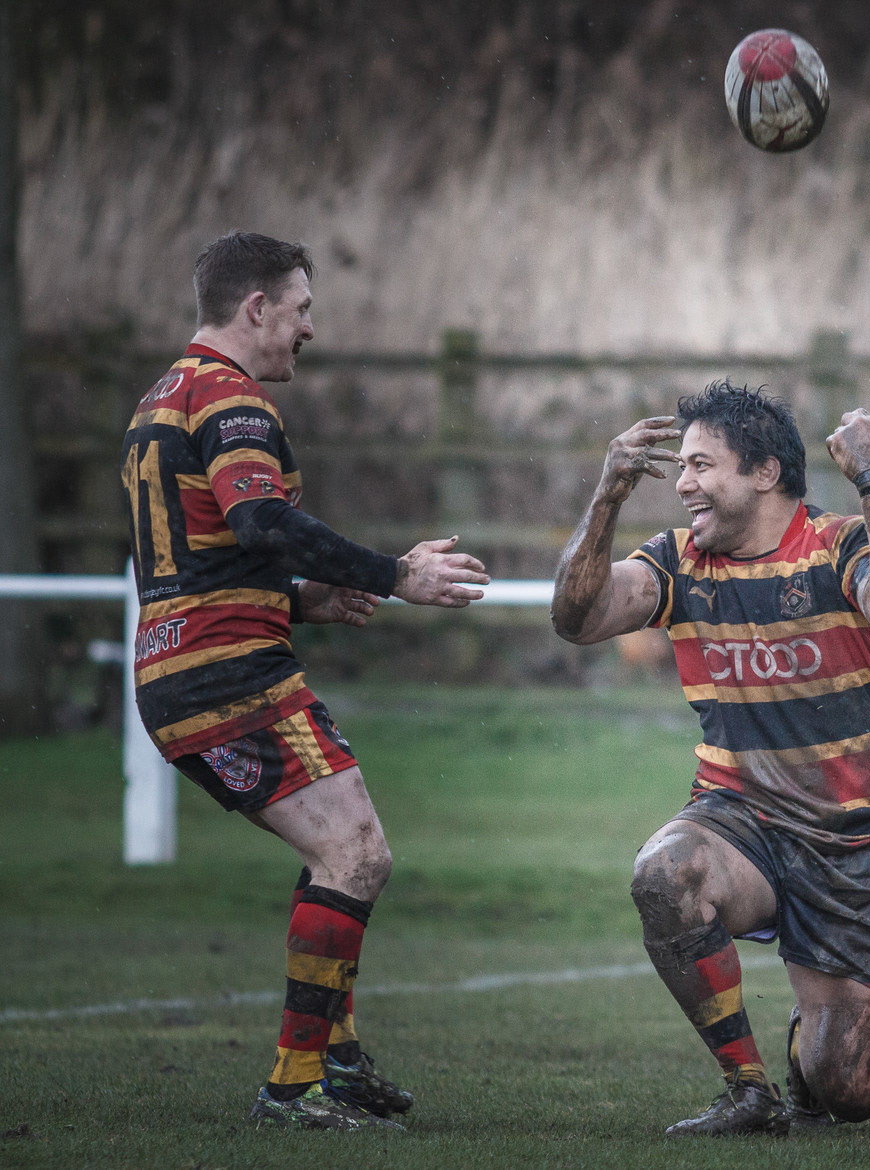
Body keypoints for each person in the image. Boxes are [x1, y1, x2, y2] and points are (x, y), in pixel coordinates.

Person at [120, 230, 491, 1131]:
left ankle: (335, 1057)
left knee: (337, 854)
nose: (308, 329)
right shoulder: (229, 396)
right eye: (301, 308)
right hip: (230, 678)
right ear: (257, 309)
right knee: (357, 855)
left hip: (182, 667)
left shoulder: (161, 397)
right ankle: (293, 1086)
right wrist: (391, 575)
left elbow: (199, 562)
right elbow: (258, 517)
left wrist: (303, 601)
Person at [551, 379, 870, 1138]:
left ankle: (809, 1042)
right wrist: (605, 497)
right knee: (664, 872)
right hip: (740, 817)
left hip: (850, 838)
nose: (684, 483)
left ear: (764, 473)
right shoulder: (678, 560)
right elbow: (577, 617)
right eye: (681, 465)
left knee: (850, 1091)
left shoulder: (837, 543)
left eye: (702, 465)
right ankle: (745, 1089)